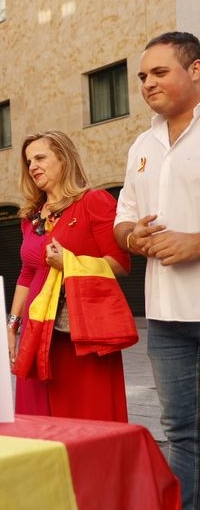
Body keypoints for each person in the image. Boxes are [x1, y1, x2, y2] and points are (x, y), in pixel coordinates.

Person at [114, 31, 200, 510]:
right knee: (181, 434)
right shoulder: (141, 144)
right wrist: (133, 237)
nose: (147, 83)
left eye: (159, 72)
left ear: (196, 70)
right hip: (165, 318)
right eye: (143, 76)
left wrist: (196, 242)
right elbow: (122, 219)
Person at [8, 130, 132, 422]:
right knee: (38, 422)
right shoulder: (32, 217)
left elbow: (120, 263)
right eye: (28, 162)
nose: (33, 166)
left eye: (40, 157)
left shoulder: (94, 201)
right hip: (37, 332)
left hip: (78, 333)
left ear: (63, 159)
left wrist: (69, 263)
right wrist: (12, 325)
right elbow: (27, 273)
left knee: (87, 415)